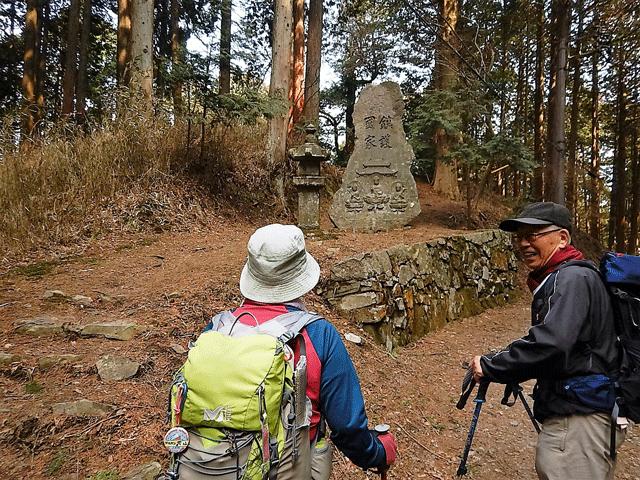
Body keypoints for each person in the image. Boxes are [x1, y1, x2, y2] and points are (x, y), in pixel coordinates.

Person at [204, 223, 397, 480]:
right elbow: (347, 428)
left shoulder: (219, 327)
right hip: (292, 466)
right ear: (300, 277)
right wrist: (377, 453)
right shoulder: (319, 335)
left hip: (211, 465)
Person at [470, 202, 627, 480]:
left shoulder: (572, 278)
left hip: (579, 421)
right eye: (520, 236)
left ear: (562, 238)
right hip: (583, 416)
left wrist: (491, 365)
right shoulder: (569, 276)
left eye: (533, 234)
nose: (523, 243)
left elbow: (552, 343)